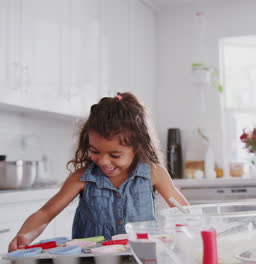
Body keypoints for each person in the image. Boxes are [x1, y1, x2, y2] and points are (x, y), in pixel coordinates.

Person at [8, 92, 189, 252]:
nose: (103, 161)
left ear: (138, 148)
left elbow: (184, 211)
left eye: (115, 154)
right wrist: (25, 235)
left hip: (139, 257)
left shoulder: (154, 173)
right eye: (95, 151)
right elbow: (45, 213)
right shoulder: (81, 178)